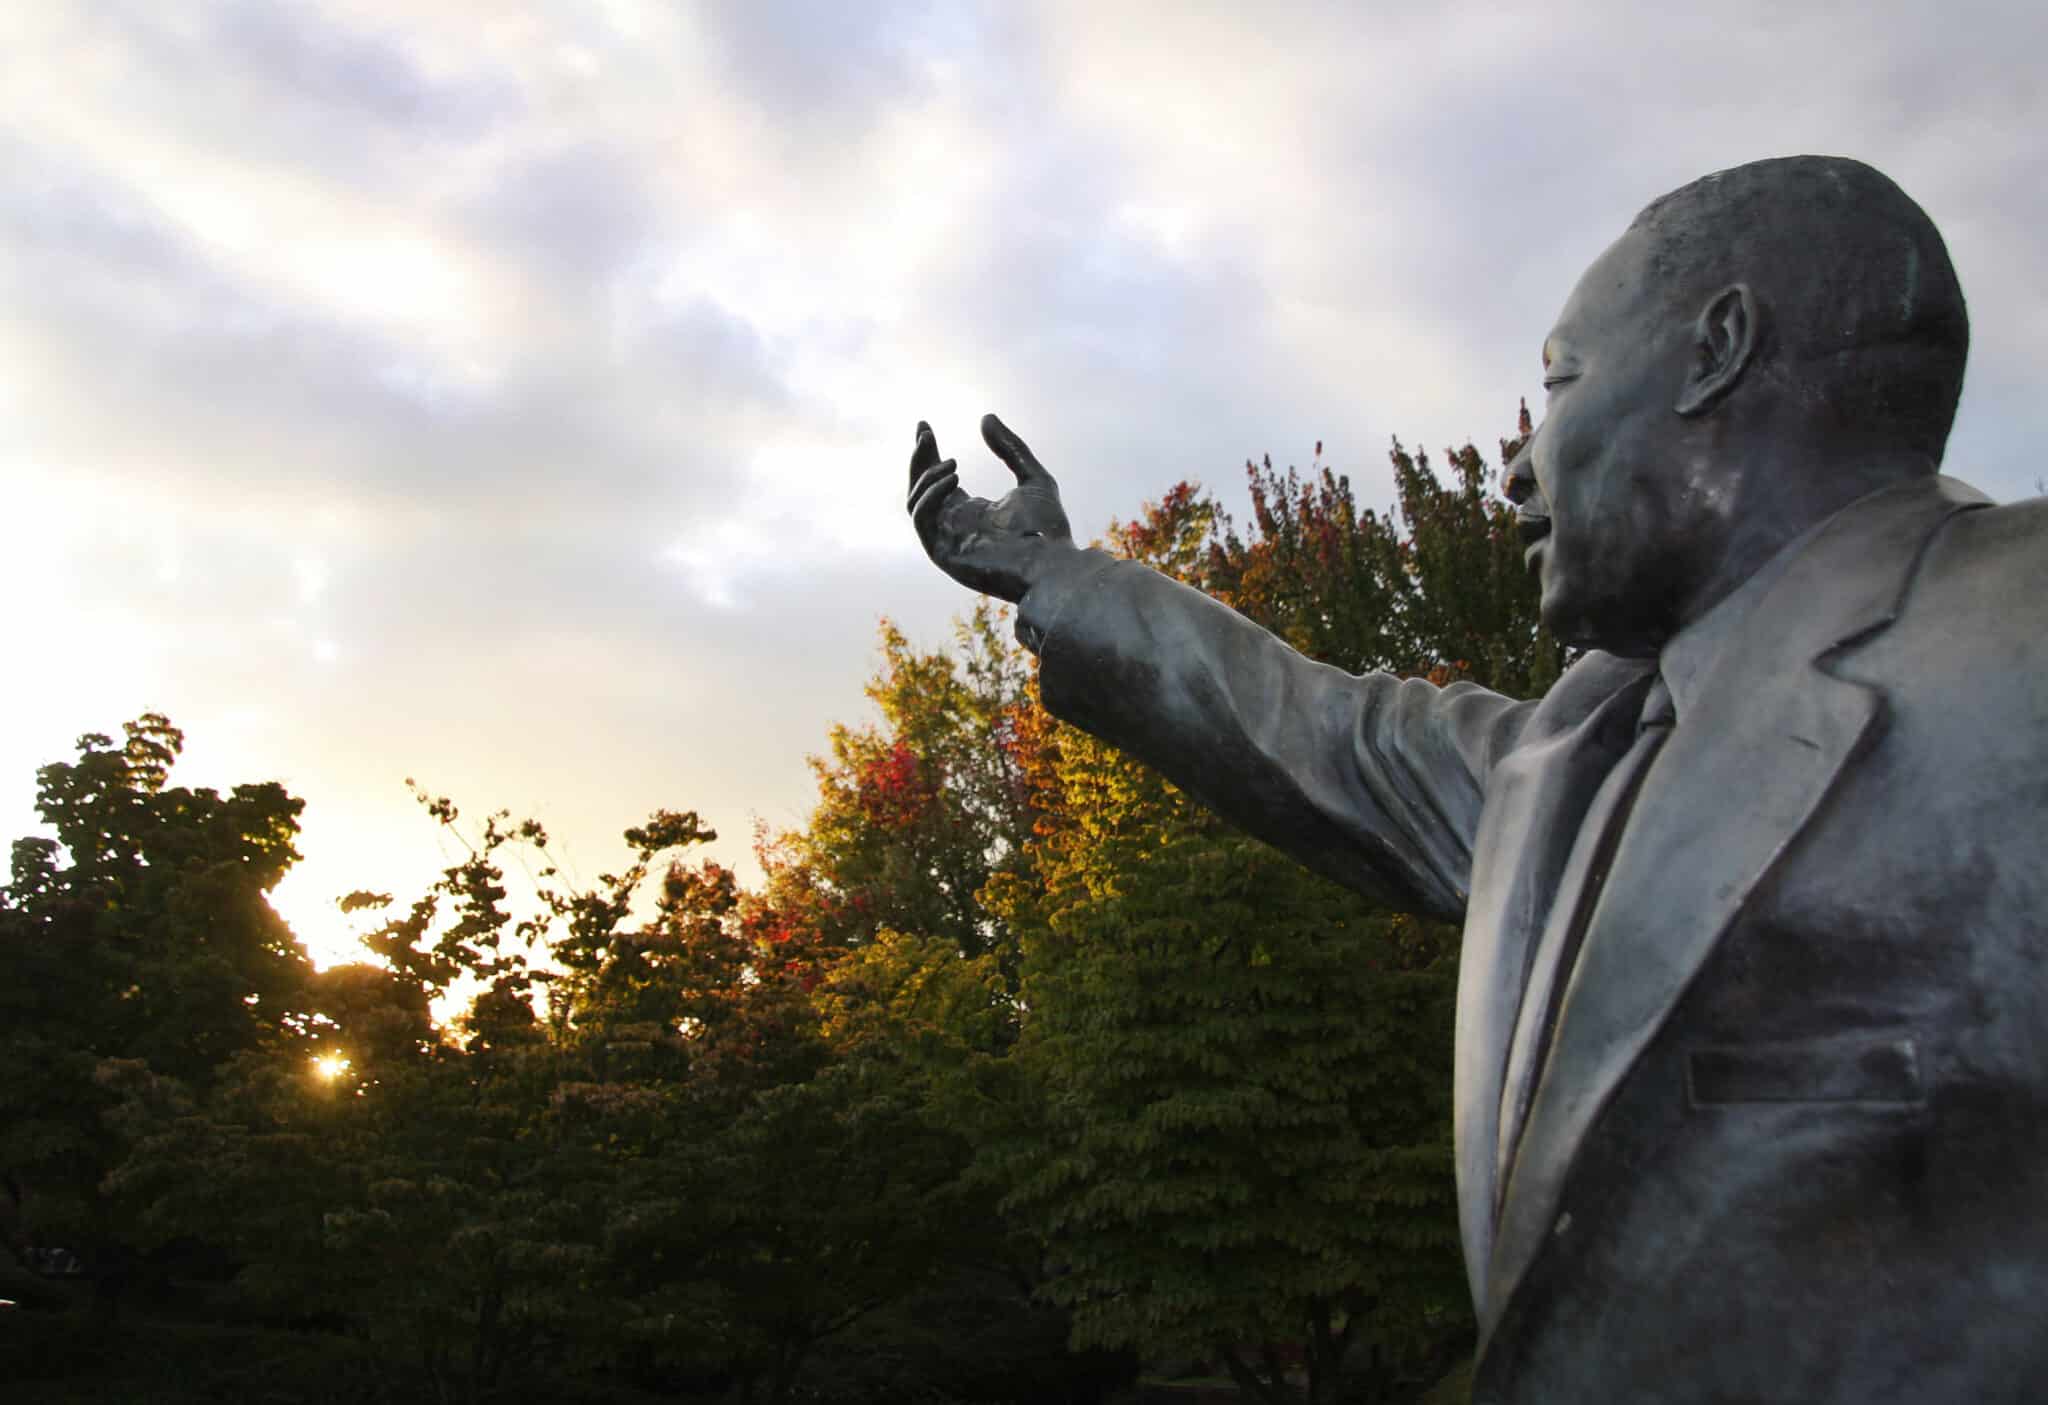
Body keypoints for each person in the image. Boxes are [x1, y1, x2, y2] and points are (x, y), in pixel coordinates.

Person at [905, 156, 2048, 1402]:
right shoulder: (1579, 746)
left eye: (1555, 386)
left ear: (1715, 348)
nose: (1515, 463)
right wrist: (1058, 580)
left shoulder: (2016, 625)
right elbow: (1322, 733)